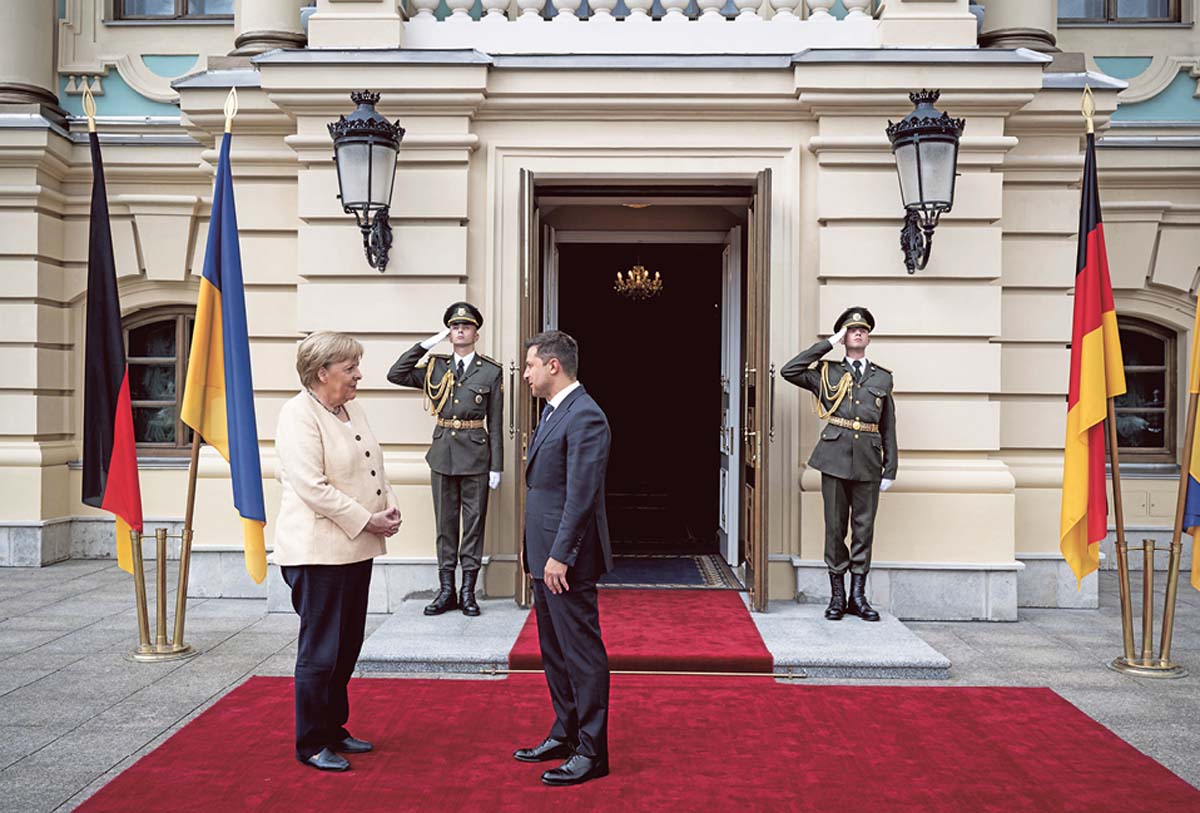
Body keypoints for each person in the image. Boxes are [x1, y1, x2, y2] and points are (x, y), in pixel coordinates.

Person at [274, 332, 402, 771]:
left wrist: (388, 504)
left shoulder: (350, 407)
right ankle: (311, 742)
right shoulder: (297, 415)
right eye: (350, 368)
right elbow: (313, 487)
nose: (358, 375)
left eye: (356, 367)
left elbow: (370, 464)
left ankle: (333, 728)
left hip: (354, 547)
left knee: (346, 646)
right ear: (321, 371)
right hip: (317, 552)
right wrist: (368, 518)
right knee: (321, 650)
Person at [512, 330, 613, 787]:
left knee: (581, 653)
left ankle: (592, 751)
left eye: (531, 365)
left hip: (565, 560)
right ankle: (565, 731)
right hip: (544, 553)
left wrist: (559, 556)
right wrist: (530, 547)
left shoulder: (585, 415)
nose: (527, 373)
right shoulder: (555, 411)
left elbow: (581, 496)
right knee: (554, 652)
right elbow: (542, 490)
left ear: (554, 365)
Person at [781, 307, 897, 623]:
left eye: (862, 329)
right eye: (851, 330)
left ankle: (858, 597)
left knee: (864, 529)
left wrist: (890, 468)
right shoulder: (826, 372)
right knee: (835, 529)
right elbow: (789, 371)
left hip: (869, 462)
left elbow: (888, 425)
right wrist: (827, 344)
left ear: (868, 337)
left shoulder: (882, 377)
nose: (858, 332)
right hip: (833, 460)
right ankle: (837, 596)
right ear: (843, 337)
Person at [387, 302, 504, 617]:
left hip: (477, 455)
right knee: (446, 525)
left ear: (476, 333)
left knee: (474, 525)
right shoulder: (436, 366)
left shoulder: (491, 370)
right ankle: (446, 590)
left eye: (465, 326)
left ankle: (468, 591)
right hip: (442, 454)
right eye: (454, 327)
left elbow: (495, 421)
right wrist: (427, 344)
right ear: (449, 332)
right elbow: (395, 374)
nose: (460, 331)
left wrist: (497, 466)